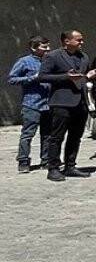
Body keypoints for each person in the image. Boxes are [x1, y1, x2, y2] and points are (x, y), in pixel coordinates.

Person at [39, 30, 95, 181]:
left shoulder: (84, 56)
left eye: (82, 40)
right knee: (56, 137)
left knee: (75, 136)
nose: (82, 42)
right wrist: (66, 77)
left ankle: (70, 166)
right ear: (66, 41)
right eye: (78, 40)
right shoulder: (53, 56)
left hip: (80, 102)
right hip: (61, 102)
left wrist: (89, 75)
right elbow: (42, 76)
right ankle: (53, 168)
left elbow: (84, 74)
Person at [9, 35, 50, 173]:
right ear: (34, 48)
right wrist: (32, 77)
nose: (47, 49)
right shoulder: (24, 62)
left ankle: (46, 160)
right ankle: (23, 161)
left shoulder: (49, 61)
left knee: (47, 134)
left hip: (48, 104)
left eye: (48, 46)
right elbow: (12, 79)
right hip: (32, 103)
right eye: (44, 47)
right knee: (27, 134)